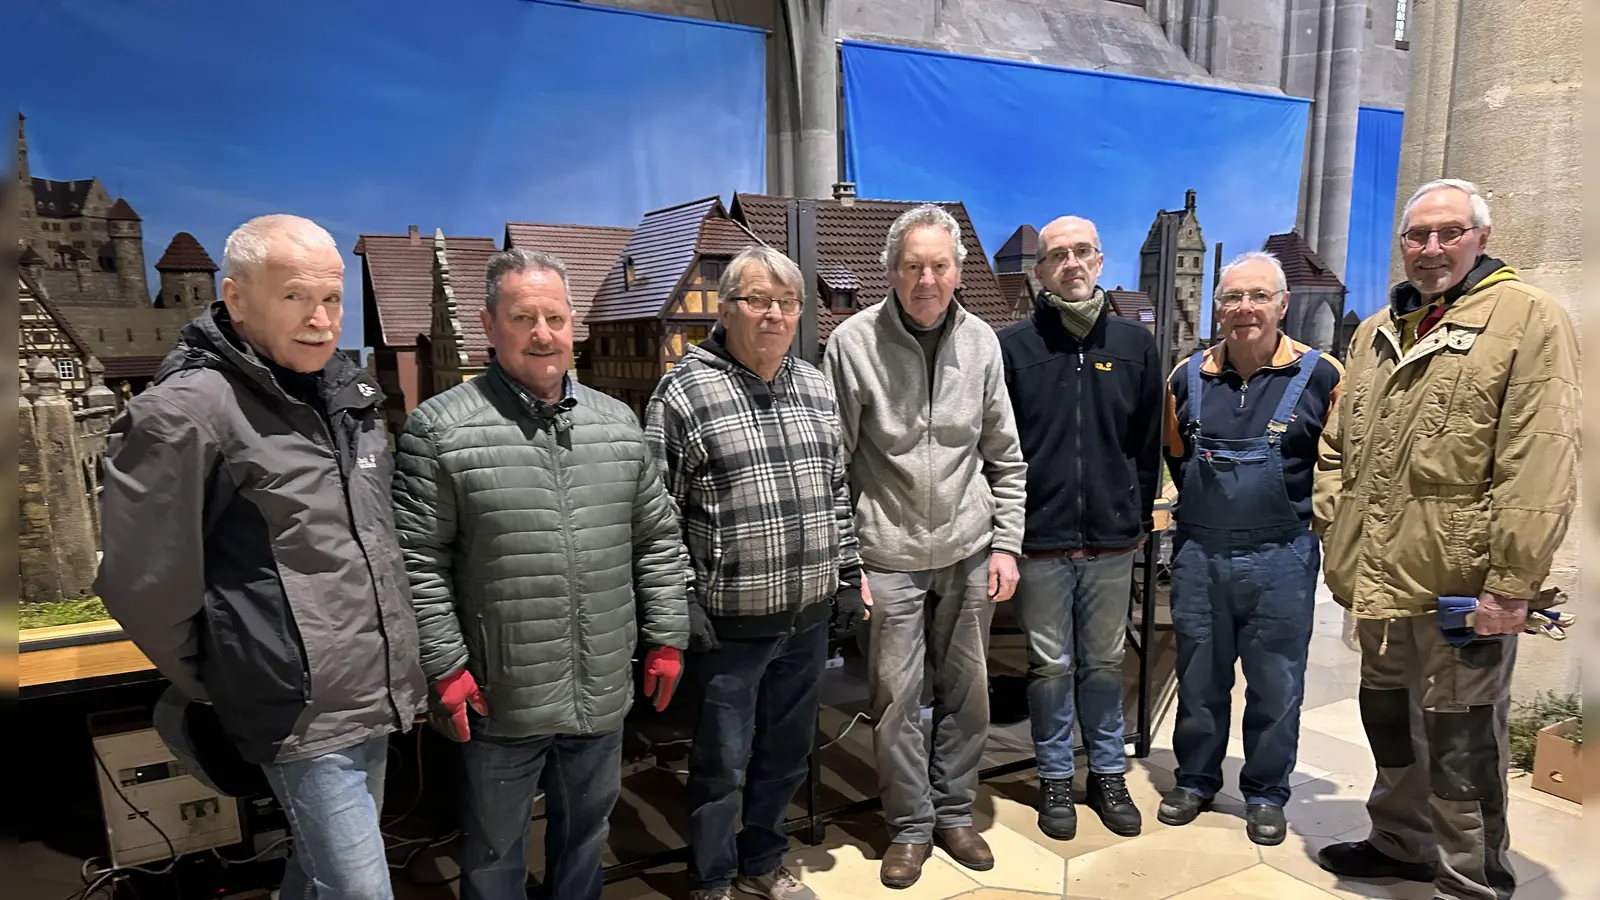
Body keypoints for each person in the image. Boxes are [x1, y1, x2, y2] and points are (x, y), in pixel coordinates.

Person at [98, 214, 426, 900]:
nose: (320, 319)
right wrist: (229, 674)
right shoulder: (185, 412)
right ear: (237, 297)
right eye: (294, 297)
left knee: (315, 873)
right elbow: (142, 584)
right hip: (295, 707)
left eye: (332, 299)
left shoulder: (347, 397)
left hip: (373, 691)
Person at [391, 248, 689, 900]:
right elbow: (418, 563)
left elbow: (657, 541)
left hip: (601, 686)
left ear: (573, 323)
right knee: (495, 852)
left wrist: (667, 636)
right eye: (523, 317)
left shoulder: (617, 423)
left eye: (554, 316)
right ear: (488, 324)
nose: (542, 333)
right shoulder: (439, 431)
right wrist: (445, 666)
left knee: (586, 839)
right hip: (500, 699)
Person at [1313, 178, 1578, 900]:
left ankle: (1472, 879)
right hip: (1380, 579)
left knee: (1461, 744)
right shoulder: (1376, 331)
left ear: (1481, 239)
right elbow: (1337, 446)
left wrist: (1510, 585)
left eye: (1449, 233)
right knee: (1389, 720)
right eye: (1417, 235)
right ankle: (1400, 843)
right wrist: (1339, 526)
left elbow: (1541, 457)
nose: (1430, 248)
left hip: (1462, 586)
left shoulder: (1525, 320)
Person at [645, 246, 863, 900]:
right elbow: (655, 514)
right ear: (726, 307)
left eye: (787, 303)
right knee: (720, 767)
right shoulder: (684, 390)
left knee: (784, 758)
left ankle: (763, 862)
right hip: (729, 627)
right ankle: (712, 879)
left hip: (807, 620)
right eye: (757, 301)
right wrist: (678, 600)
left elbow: (836, 492)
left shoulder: (815, 387)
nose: (774, 315)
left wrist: (848, 575)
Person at [822, 204, 1028, 889]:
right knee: (896, 699)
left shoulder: (982, 345)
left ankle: (954, 812)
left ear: (958, 271)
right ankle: (909, 827)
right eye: (913, 266)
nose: (927, 279)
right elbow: (836, 464)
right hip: (888, 557)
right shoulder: (851, 345)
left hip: (970, 551)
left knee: (969, 695)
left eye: (939, 265)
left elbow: (1006, 456)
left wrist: (1006, 544)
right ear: (892, 272)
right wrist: (851, 562)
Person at [1155, 251, 1345, 847]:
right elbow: (1175, 461)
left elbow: (1339, 465)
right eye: (1233, 298)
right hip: (1200, 554)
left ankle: (1265, 792)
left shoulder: (1322, 377)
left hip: (1281, 557)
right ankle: (1195, 779)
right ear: (1218, 308)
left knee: (1277, 684)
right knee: (1199, 678)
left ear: (1282, 305)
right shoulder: (1184, 380)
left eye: (1258, 296)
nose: (1245, 310)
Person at [997, 215, 1162, 841]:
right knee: (1049, 666)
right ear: (1040, 270)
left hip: (1113, 540)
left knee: (1103, 662)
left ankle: (1109, 775)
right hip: (1040, 539)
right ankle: (1055, 779)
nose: (1071, 263)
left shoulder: (1134, 345)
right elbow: (1001, 447)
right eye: (1058, 254)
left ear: (1100, 260)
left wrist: (1137, 514)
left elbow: (1147, 445)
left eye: (1083, 252)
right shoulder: (1014, 348)